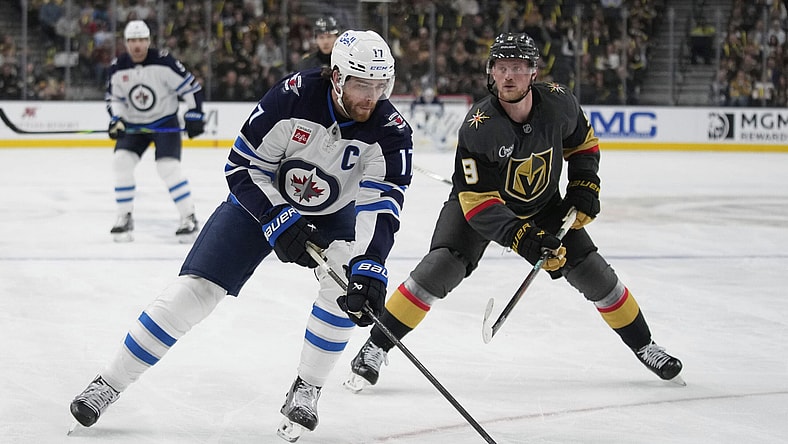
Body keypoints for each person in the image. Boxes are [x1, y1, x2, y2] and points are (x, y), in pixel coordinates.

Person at [69, 29, 412, 443]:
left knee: (343, 294)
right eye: (361, 84)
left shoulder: (392, 130)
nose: (370, 96)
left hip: (333, 218)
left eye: (380, 85)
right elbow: (242, 167)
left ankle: (307, 388)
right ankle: (108, 382)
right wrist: (275, 215)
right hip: (259, 204)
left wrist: (371, 263)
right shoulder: (292, 96)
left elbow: (381, 205)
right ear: (337, 76)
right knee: (193, 291)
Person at [345, 32, 683, 393]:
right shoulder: (478, 126)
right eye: (501, 67)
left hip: (542, 204)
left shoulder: (559, 103)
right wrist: (524, 238)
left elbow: (583, 143)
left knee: (595, 275)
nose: (508, 76)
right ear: (491, 71)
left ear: (533, 73)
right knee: (439, 268)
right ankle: (375, 347)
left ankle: (645, 345)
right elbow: (479, 204)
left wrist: (584, 186)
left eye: (518, 68)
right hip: (477, 206)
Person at [106, 20, 205, 243]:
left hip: (164, 122)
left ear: (148, 41)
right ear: (126, 43)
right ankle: (124, 217)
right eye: (132, 41)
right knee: (121, 162)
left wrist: (195, 113)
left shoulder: (164, 62)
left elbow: (191, 89)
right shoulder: (118, 66)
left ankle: (188, 216)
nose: (137, 45)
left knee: (167, 167)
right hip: (134, 125)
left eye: (141, 40)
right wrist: (117, 119)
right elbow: (114, 98)